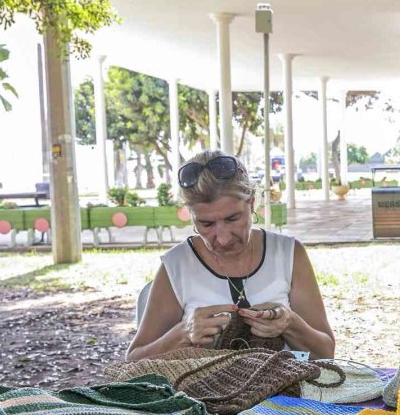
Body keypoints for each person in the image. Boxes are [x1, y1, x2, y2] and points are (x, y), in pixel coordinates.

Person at [127, 151, 335, 361]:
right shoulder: (177, 265)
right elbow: (133, 361)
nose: (223, 238)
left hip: (283, 391)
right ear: (191, 216)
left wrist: (290, 324)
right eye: (206, 224)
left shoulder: (288, 254)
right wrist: (184, 333)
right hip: (200, 393)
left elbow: (325, 353)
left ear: (252, 202)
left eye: (233, 218)